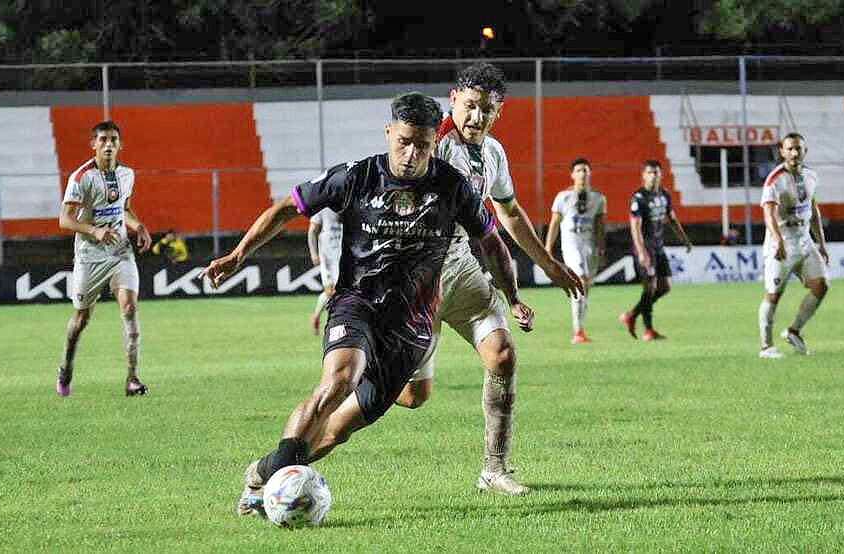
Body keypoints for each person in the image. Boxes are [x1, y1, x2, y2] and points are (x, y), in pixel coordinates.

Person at [201, 92, 533, 515]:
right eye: (404, 141)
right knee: (339, 378)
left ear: (435, 141)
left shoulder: (452, 188)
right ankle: (274, 497)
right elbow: (287, 208)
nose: (412, 154)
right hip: (357, 305)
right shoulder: (357, 176)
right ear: (389, 132)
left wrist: (514, 296)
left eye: (423, 145)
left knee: (337, 431)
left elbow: (492, 243)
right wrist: (238, 254)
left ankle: (263, 474)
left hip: (411, 331)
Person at [392, 62, 583, 496]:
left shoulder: (493, 152)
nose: (477, 118)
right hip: (417, 277)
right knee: (412, 398)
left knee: (502, 355)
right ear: (453, 98)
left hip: (462, 268)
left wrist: (548, 265)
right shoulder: (431, 145)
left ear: (498, 113)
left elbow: (509, 213)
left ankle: (495, 469)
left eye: (487, 110)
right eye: (471, 106)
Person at [56, 120, 152, 397]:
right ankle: (66, 367)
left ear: (120, 144)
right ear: (93, 144)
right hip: (90, 256)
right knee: (82, 319)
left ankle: (132, 378)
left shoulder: (127, 174)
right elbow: (65, 219)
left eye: (113, 140)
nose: (108, 145)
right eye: (103, 140)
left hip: (120, 251)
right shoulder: (81, 177)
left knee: (130, 308)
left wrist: (139, 226)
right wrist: (94, 230)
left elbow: (124, 210)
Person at [758, 133, 829, 358]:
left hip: (805, 240)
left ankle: (793, 331)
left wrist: (822, 243)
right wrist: (778, 240)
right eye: (790, 149)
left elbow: (813, 209)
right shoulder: (774, 179)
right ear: (782, 151)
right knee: (773, 295)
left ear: (805, 150)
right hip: (782, 242)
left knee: (821, 285)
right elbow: (768, 213)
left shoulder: (811, 175)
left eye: (798, 148)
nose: (795, 153)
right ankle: (766, 347)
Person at [619, 160, 692, 341]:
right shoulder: (639, 198)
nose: (654, 176)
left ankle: (632, 315)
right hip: (645, 248)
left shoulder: (664, 195)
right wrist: (642, 252)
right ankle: (649, 330)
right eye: (650, 172)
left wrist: (684, 239)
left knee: (665, 287)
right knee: (650, 287)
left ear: (661, 175)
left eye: (657, 173)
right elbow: (635, 227)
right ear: (643, 175)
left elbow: (672, 219)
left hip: (659, 247)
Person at [545, 158, 607, 344]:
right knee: (581, 280)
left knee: (586, 286)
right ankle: (578, 332)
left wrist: (601, 247)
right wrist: (547, 248)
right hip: (571, 244)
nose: (583, 173)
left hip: (590, 245)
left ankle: (580, 327)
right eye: (579, 170)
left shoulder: (598, 198)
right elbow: (555, 224)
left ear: (590, 174)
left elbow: (599, 226)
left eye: (586, 170)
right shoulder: (563, 197)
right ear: (572, 174)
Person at [307, 208, 342, 335]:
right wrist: (314, 253)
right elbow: (312, 231)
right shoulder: (323, 208)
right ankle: (330, 321)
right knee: (331, 290)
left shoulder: (349, 200)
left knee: (339, 291)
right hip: (328, 256)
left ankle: (317, 316)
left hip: (344, 254)